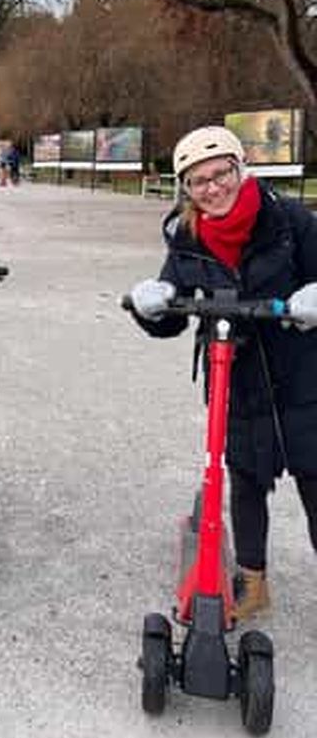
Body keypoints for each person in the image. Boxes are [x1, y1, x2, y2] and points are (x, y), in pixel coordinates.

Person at [129, 125, 317, 620]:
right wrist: (152, 306)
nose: (213, 188)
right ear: (185, 189)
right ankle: (253, 583)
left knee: (315, 476)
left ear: (240, 169)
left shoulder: (289, 220)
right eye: (198, 181)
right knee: (247, 480)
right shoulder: (188, 241)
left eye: (221, 174)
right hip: (239, 380)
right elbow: (172, 315)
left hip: (303, 377)